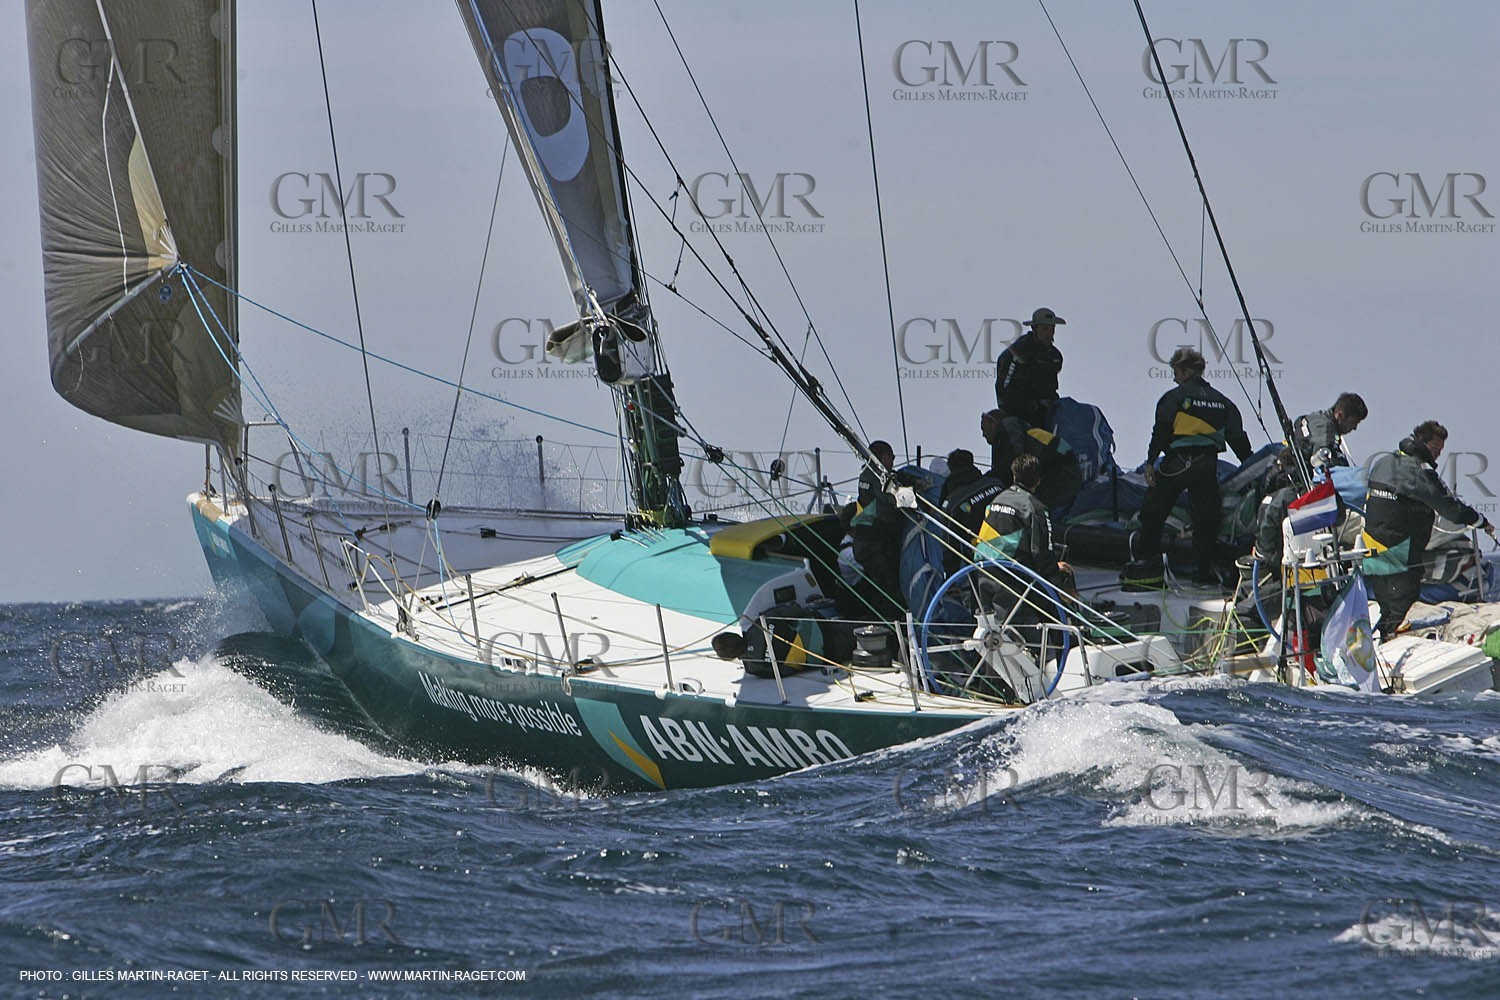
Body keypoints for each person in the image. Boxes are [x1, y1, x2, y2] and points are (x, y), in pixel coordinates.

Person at [1363, 420, 1495, 640]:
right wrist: (1479, 520)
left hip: (1374, 551)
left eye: (1441, 451)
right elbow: (1449, 508)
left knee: (1387, 609)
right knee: (1402, 611)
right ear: (1421, 441)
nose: (1437, 456)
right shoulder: (1416, 469)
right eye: (1435, 449)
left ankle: (1386, 647)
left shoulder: (1385, 461)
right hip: (1399, 553)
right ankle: (1397, 657)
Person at [1139, 346, 1254, 585]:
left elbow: (1160, 431)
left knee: (1153, 513)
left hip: (1177, 463)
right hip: (1206, 465)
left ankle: (1146, 565)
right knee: (1206, 521)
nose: (1173, 378)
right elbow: (1238, 439)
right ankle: (1202, 573)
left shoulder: (1173, 398)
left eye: (1176, 372)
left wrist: (1150, 462)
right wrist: (1252, 467)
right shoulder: (1223, 402)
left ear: (1186, 371)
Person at [973, 455, 1071, 588]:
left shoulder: (994, 501)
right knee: (1062, 573)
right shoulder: (1035, 508)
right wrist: (1056, 572)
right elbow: (1041, 552)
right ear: (1038, 480)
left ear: (1014, 476)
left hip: (983, 572)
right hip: (1014, 579)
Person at [992, 308, 1066, 472]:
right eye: (1046, 328)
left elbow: (1051, 387)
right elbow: (1004, 387)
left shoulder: (1054, 356)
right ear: (1035, 328)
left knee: (1053, 451)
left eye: (1052, 328)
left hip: (1044, 417)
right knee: (1018, 458)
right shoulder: (1018, 352)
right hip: (1018, 416)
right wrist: (1020, 408)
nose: (1050, 332)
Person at [979, 409, 1082, 509]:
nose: (983, 435)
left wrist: (985, 482)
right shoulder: (1022, 429)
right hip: (1066, 471)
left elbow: (1012, 461)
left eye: (984, 428)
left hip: (1061, 472)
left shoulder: (1007, 426)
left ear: (992, 422)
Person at [940, 448, 1006, 576]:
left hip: (985, 562)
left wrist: (950, 576)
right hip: (1015, 551)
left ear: (951, 470)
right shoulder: (997, 485)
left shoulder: (953, 504)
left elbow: (950, 546)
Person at [1291, 392, 1367, 469]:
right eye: (1353, 423)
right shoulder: (1326, 432)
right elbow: (1323, 466)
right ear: (1339, 415)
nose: (1355, 428)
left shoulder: (1317, 417)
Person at [857, 440, 895, 508]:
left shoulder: (865, 473)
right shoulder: (878, 477)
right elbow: (886, 502)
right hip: (878, 516)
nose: (893, 462)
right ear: (884, 457)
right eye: (892, 457)